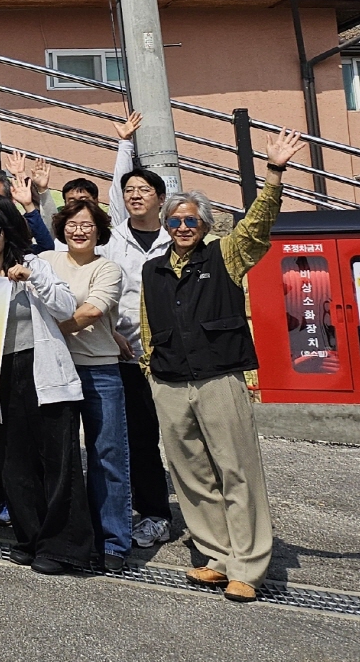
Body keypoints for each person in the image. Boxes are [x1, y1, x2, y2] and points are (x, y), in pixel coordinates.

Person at [141, 129, 303, 603]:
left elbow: (256, 227)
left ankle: (248, 567)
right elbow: (148, 324)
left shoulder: (226, 254)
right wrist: (151, 369)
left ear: (205, 224)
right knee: (191, 475)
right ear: (166, 226)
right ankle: (215, 556)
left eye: (191, 220)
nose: (183, 228)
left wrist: (273, 174)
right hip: (170, 382)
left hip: (219, 378)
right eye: (175, 221)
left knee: (237, 471)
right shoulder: (152, 269)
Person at [0, 202, 94, 574]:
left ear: (6, 233)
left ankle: (64, 548)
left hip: (40, 368)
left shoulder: (34, 264)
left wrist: (32, 277)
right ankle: (30, 538)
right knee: (11, 462)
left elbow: (65, 306)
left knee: (57, 461)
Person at [43, 199, 132, 571]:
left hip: (100, 371)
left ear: (99, 231)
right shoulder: (46, 260)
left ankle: (113, 540)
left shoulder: (107, 268)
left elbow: (92, 312)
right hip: (53, 370)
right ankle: (63, 536)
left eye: (87, 225)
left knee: (107, 456)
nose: (78, 231)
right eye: (72, 224)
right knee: (57, 457)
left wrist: (48, 331)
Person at [105, 112, 176, 550]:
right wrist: (124, 145)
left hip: (173, 355)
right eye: (130, 191)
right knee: (139, 439)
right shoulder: (115, 237)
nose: (134, 196)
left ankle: (205, 516)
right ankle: (153, 514)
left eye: (144, 190)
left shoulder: (178, 238)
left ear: (161, 199)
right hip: (127, 355)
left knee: (185, 439)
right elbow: (115, 190)